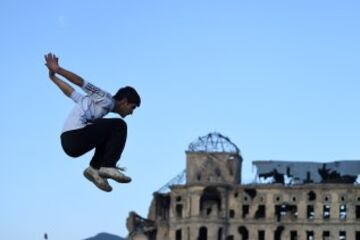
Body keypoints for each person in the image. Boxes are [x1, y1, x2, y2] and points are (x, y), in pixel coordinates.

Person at [44, 53, 141, 192]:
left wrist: (53, 77)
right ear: (124, 101)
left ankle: (94, 169)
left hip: (69, 142)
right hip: (74, 137)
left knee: (108, 133)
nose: (131, 113)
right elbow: (80, 82)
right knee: (119, 126)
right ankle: (108, 165)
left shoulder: (91, 104)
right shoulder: (104, 98)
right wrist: (58, 69)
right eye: (132, 108)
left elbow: (71, 92)